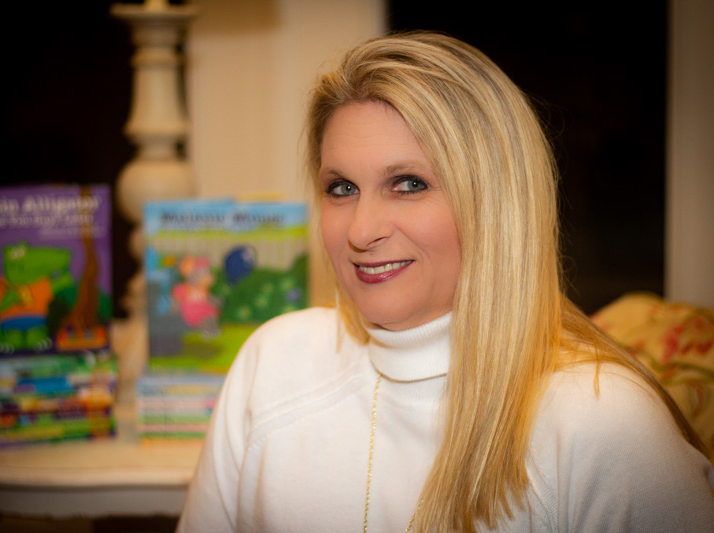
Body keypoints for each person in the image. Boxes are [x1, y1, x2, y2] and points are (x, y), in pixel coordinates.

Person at [178, 32, 714, 532]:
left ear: (495, 204)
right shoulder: (271, 364)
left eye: (408, 184)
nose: (361, 230)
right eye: (341, 188)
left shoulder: (606, 425)